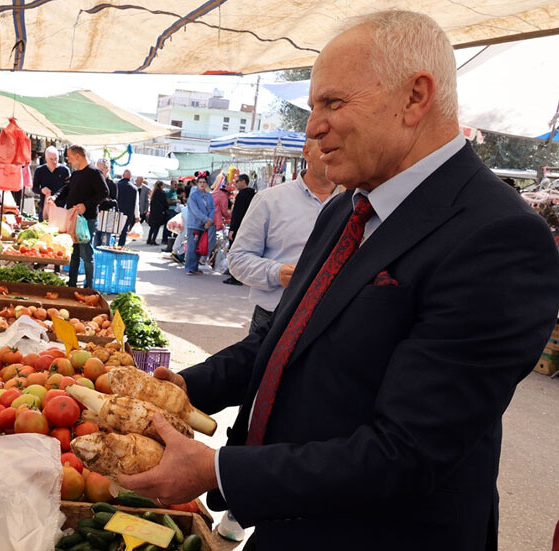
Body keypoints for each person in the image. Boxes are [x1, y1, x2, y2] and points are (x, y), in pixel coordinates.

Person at [117, 10, 559, 551]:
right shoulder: (345, 211)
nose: (313, 127)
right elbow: (282, 339)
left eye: (333, 103)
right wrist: (187, 389)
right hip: (292, 521)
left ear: (415, 97)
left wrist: (219, 471)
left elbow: (407, 451)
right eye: (312, 107)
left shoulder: (498, 236)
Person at [227, 139, 339, 333]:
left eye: (338, 147)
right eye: (325, 147)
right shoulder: (270, 200)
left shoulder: (356, 201)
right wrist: (278, 273)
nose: (332, 154)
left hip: (330, 320)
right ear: (306, 152)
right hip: (273, 317)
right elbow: (238, 259)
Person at [54, 146, 107, 288]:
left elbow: (104, 192)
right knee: (74, 253)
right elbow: (66, 189)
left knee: (86, 253)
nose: (69, 161)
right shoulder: (76, 173)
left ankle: (89, 286)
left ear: (78, 156)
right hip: (73, 219)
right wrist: (54, 198)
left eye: (70, 158)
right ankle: (72, 284)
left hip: (87, 220)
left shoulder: (94, 172)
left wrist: (86, 205)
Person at [222, 174, 257, 285]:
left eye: (237, 181)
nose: (235, 184)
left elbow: (238, 213)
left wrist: (233, 229)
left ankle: (235, 277)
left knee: (235, 252)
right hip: (248, 227)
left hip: (239, 228)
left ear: (243, 181)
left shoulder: (242, 195)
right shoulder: (253, 195)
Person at [183, 176, 214, 275]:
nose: (202, 184)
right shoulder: (193, 196)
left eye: (204, 182)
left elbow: (213, 208)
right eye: (200, 182)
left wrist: (210, 220)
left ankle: (195, 266)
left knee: (200, 247)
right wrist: (206, 219)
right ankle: (190, 267)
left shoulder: (209, 195)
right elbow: (195, 211)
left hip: (204, 225)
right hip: (195, 224)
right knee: (192, 246)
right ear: (197, 183)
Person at [31, 146, 70, 221]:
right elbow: (34, 188)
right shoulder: (39, 170)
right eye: (51, 159)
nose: (54, 161)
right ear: (46, 159)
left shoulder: (65, 170)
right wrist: (41, 190)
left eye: (56, 159)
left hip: (60, 208)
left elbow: (68, 187)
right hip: (44, 206)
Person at [94, 157, 118, 247]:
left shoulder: (112, 183)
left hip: (108, 216)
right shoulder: (95, 181)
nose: (98, 172)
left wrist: (103, 200)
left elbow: (114, 200)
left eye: (101, 170)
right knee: (95, 242)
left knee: (105, 243)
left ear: (107, 169)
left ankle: (104, 260)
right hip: (96, 214)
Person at [209, 175, 232, 262]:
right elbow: (224, 211)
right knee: (210, 240)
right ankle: (204, 260)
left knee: (206, 238)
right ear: (227, 193)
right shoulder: (223, 197)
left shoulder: (215, 193)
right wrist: (230, 216)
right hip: (214, 220)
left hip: (207, 219)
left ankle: (204, 259)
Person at [116, 170, 139, 247]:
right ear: (130, 177)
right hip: (128, 212)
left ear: (123, 175)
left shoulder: (116, 185)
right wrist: (137, 216)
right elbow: (136, 204)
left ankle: (112, 244)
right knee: (124, 230)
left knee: (114, 229)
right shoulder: (134, 188)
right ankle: (120, 246)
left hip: (117, 211)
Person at [146, 181, 170, 245]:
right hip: (160, 212)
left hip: (153, 212)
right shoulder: (162, 193)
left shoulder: (153, 193)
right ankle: (153, 240)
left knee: (152, 227)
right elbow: (165, 203)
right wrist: (166, 209)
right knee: (157, 226)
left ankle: (149, 239)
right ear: (161, 186)